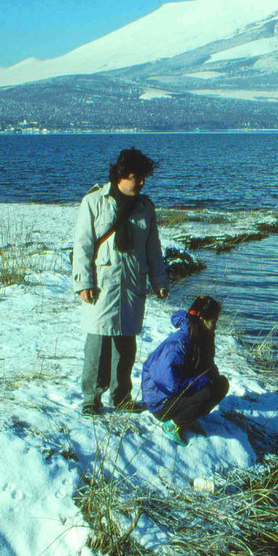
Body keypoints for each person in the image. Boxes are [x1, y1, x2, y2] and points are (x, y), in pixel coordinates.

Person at [72, 148, 169, 416]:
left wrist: (160, 280)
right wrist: (83, 282)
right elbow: (82, 246)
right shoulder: (94, 202)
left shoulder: (145, 207)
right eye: (136, 177)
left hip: (132, 285)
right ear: (120, 176)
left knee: (126, 345)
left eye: (143, 178)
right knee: (98, 344)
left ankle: (122, 397)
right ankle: (91, 399)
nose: (141, 183)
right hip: (102, 285)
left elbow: (153, 248)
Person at [141, 295, 230, 446]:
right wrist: (201, 381)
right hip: (160, 401)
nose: (215, 326)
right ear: (202, 318)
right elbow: (170, 384)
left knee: (221, 384)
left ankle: (187, 419)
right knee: (207, 392)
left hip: (175, 393)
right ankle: (173, 425)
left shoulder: (201, 335)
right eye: (213, 322)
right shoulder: (178, 344)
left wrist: (210, 376)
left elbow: (206, 365)